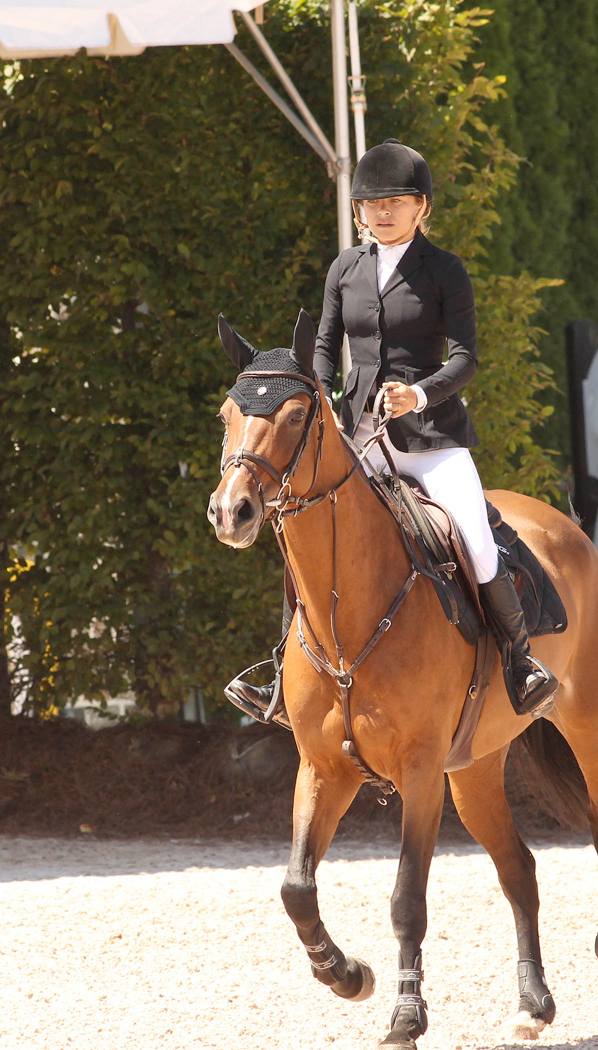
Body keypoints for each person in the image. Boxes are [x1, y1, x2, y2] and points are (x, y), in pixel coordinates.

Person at [225, 139, 558, 718]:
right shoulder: (345, 269)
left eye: (395, 202)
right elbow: (324, 345)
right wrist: (325, 399)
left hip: (432, 439)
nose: (382, 212)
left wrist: (419, 394)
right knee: (306, 531)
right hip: (360, 438)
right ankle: (281, 673)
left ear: (421, 207)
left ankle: (519, 661)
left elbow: (466, 358)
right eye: (372, 204)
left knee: (475, 537)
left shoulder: (444, 270)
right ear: (359, 211)